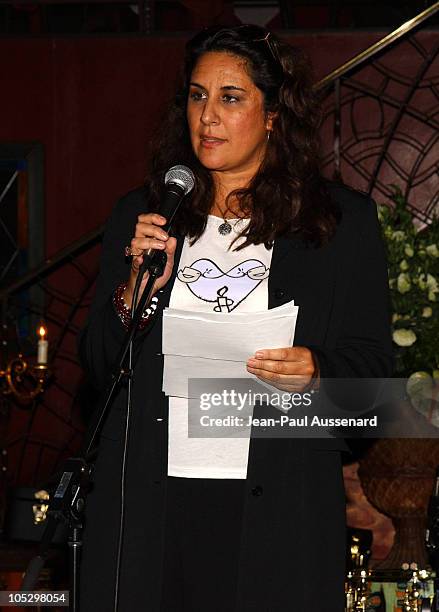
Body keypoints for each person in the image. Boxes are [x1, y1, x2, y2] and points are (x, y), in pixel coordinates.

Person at [79, 25, 393, 611]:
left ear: (273, 114)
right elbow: (98, 368)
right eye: (198, 96)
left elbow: (374, 389)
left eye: (230, 97)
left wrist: (318, 372)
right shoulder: (143, 215)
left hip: (276, 511)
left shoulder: (338, 225)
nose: (208, 117)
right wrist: (132, 290)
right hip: (154, 506)